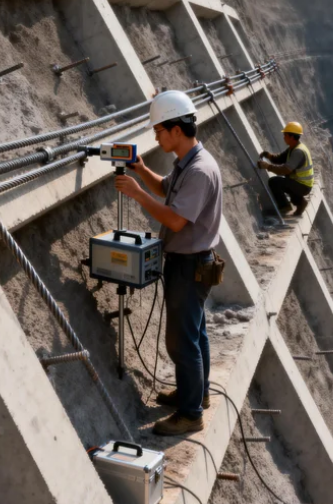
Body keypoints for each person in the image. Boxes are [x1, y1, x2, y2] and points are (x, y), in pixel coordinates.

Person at [114, 90, 223, 436]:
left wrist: (136, 193)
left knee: (180, 342)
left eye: (158, 130)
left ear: (177, 129)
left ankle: (190, 414)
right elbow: (167, 190)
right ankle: (198, 394)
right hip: (192, 263)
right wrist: (143, 171)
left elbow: (176, 221)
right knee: (196, 333)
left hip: (190, 266)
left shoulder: (199, 171)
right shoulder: (188, 163)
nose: (156, 136)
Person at [257, 121, 314, 216]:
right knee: (287, 182)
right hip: (302, 184)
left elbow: (285, 170)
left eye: (285, 135)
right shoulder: (294, 148)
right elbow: (280, 159)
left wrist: (268, 166)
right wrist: (269, 156)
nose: (284, 137)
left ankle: (284, 207)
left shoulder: (297, 152)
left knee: (274, 182)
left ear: (291, 137)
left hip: (302, 186)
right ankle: (301, 203)